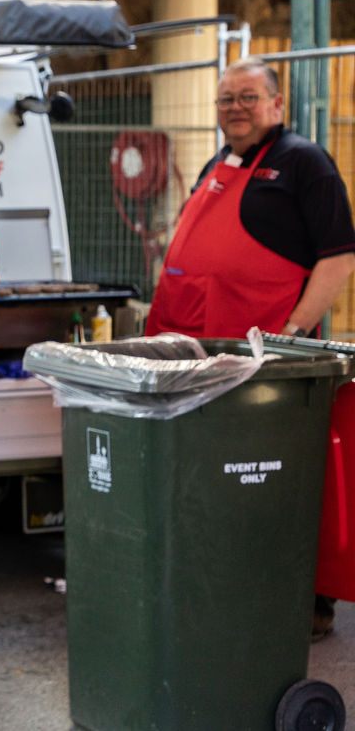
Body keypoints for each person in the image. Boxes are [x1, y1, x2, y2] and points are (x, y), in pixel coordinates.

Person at [146, 57, 355, 639]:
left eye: (247, 97)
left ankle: (308, 599)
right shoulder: (219, 163)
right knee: (221, 480)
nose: (235, 108)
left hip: (270, 363)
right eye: (225, 100)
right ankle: (231, 585)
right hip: (207, 358)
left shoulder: (305, 163)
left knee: (282, 481)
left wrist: (291, 334)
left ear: (277, 105)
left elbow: (338, 256)